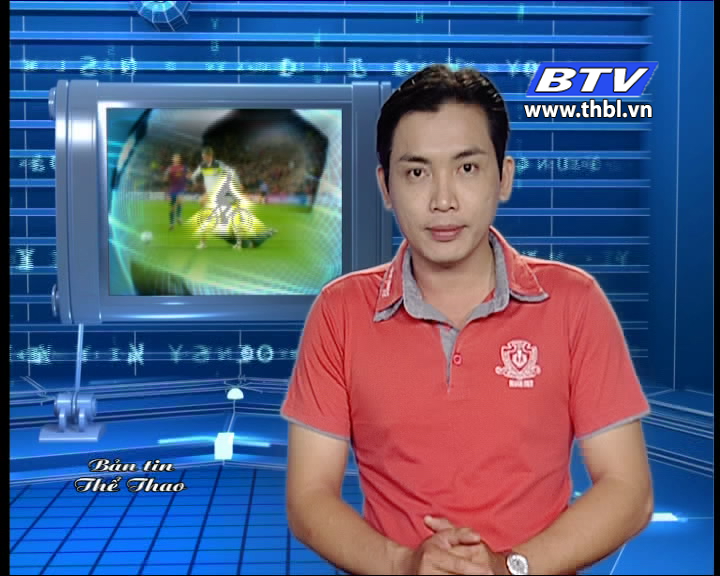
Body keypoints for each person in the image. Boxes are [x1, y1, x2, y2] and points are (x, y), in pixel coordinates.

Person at [281, 64, 653, 575]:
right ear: (385, 186)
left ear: (505, 177)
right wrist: (406, 564)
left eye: (468, 168)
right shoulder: (339, 311)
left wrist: (509, 567)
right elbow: (308, 497)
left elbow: (629, 490)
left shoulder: (575, 302)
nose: (443, 200)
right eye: (416, 172)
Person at [191, 146, 274, 250]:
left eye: (205, 156)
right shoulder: (202, 166)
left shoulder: (218, 164)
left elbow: (232, 172)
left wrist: (238, 184)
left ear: (210, 155)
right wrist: (193, 181)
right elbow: (194, 175)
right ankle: (203, 243)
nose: (204, 158)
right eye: (203, 156)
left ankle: (241, 241)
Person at [163, 153, 190, 230]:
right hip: (173, 189)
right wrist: (165, 178)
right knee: (172, 207)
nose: (175, 159)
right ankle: (171, 224)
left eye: (177, 158)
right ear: (172, 159)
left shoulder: (183, 167)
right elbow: (165, 179)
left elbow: (189, 174)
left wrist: (187, 177)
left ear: (179, 159)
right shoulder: (170, 168)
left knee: (179, 200)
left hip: (181, 188)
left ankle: (178, 217)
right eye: (174, 158)